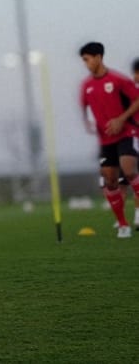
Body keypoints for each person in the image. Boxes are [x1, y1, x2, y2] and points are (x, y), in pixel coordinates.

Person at [78, 42, 139, 238]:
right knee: (110, 181)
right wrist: (86, 121)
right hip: (105, 140)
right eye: (84, 60)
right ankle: (123, 224)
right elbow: (84, 106)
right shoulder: (86, 86)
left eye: (87, 59)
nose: (86, 64)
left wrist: (121, 119)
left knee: (129, 170)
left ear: (98, 57)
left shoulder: (118, 80)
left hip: (126, 133)